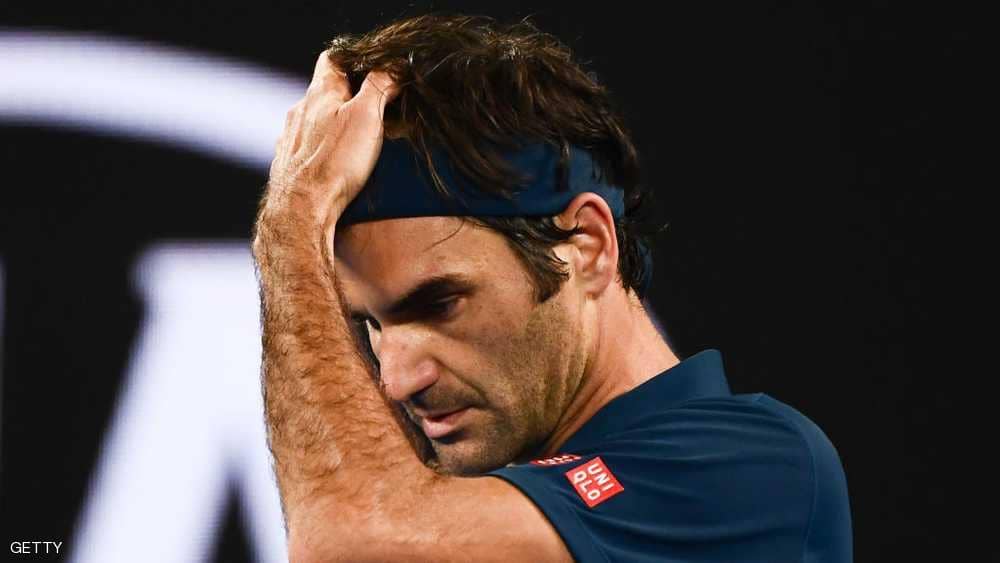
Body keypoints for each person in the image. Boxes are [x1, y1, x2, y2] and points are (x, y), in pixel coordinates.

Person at [251, 14, 852, 563]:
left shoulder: (751, 468)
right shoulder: (472, 500)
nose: (398, 380)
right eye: (371, 324)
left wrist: (291, 223)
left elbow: (356, 545)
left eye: (440, 304)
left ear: (588, 246)